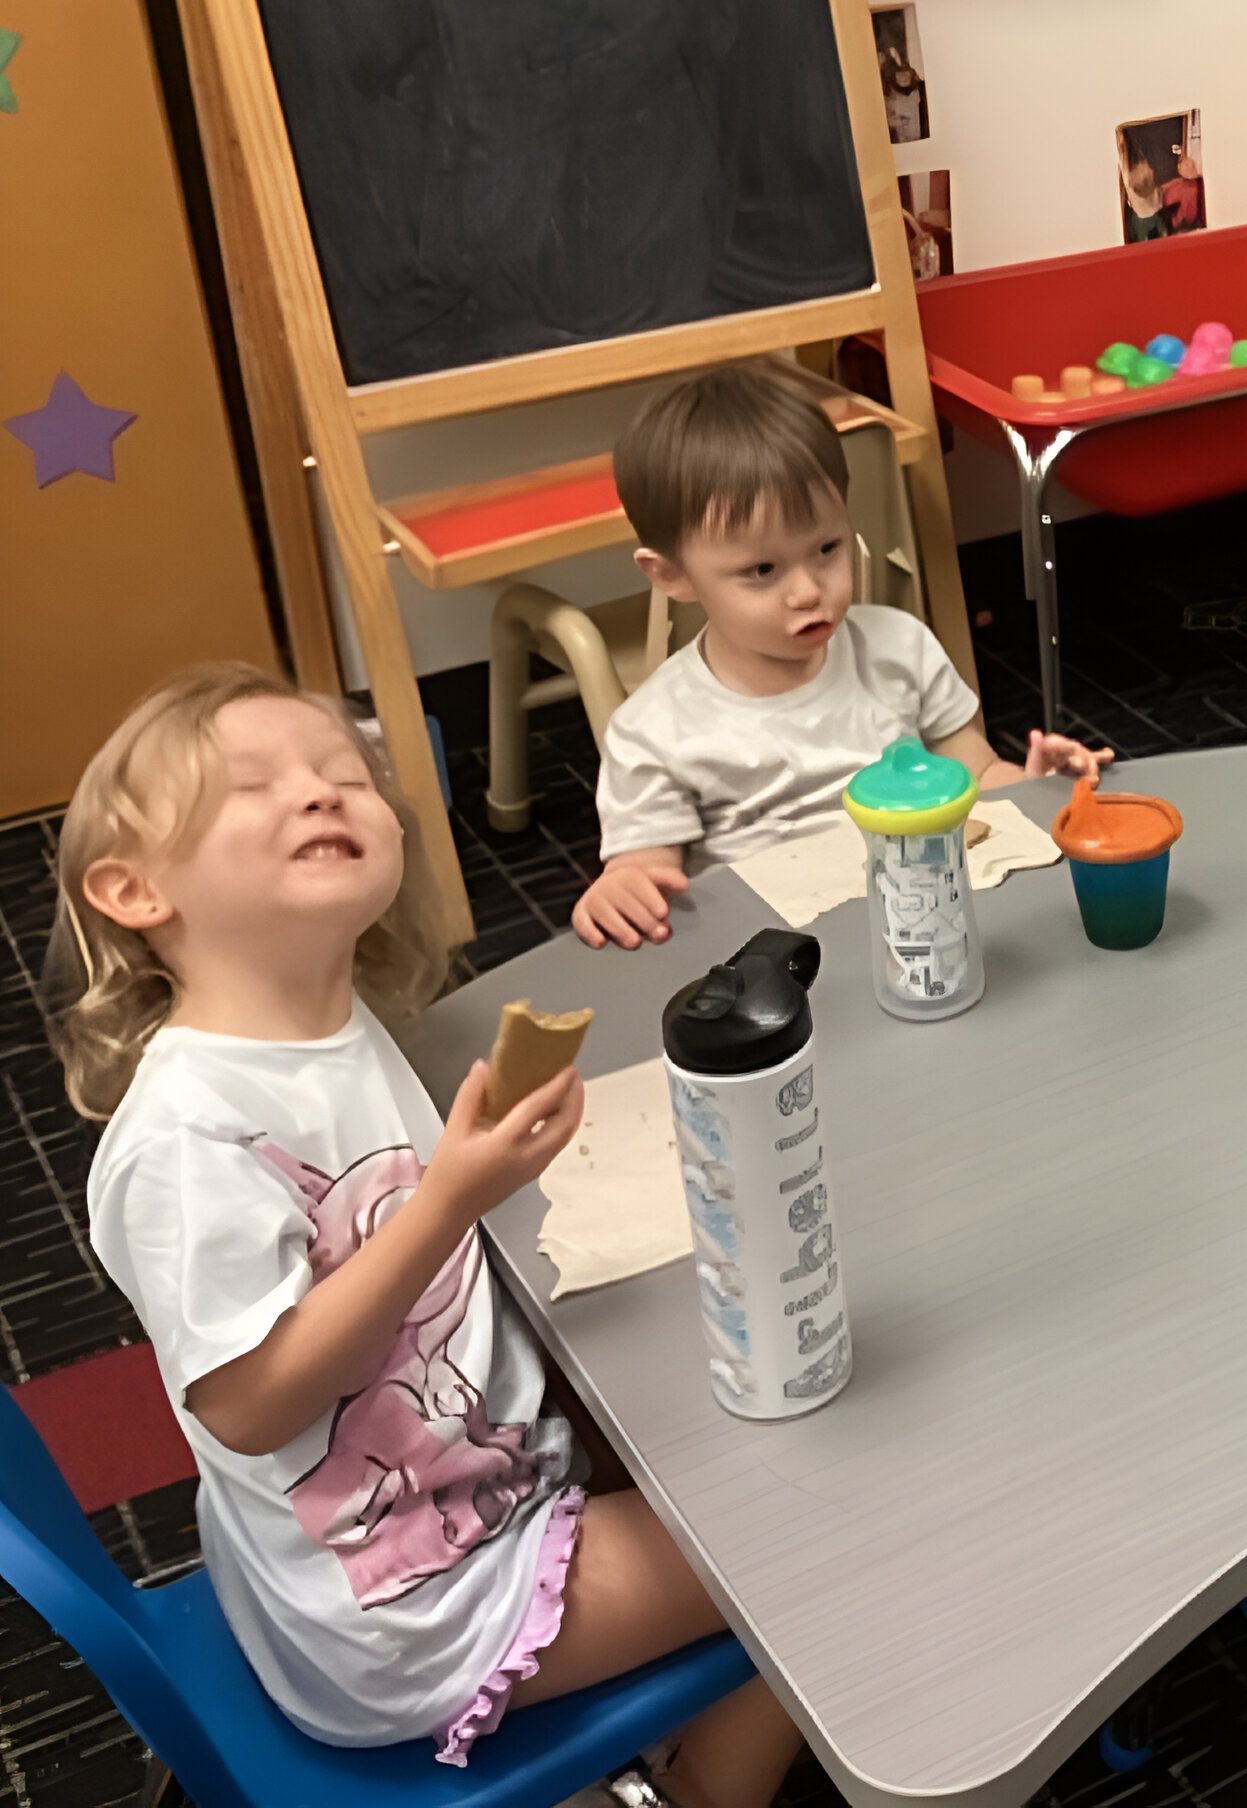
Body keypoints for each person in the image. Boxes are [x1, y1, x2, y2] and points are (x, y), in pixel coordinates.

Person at [57, 665, 804, 1806]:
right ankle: (700, 1792)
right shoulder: (186, 1136)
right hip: (419, 1611)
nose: (320, 795)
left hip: (445, 1506)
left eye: (345, 775)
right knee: (819, 1539)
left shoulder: (334, 1029)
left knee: (728, 1404)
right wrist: (447, 1200)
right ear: (132, 888)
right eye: (250, 786)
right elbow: (252, 1406)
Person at [572, 359, 1108, 948]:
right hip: (774, 958)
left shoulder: (899, 648)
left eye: (827, 548)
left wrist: (1034, 784)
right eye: (762, 570)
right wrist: (621, 887)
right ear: (672, 575)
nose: (808, 590)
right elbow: (645, 874)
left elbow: (975, 774)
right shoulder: (652, 731)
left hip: (924, 920)